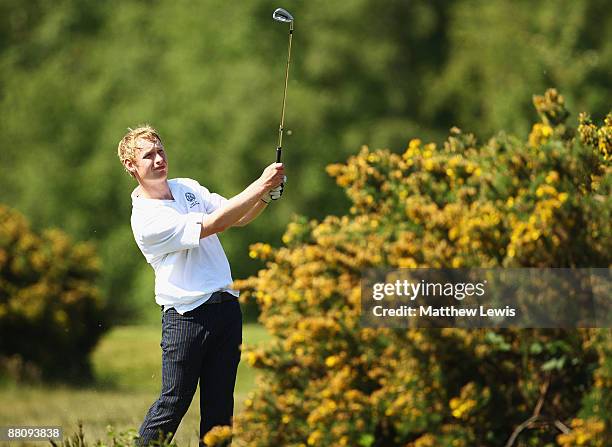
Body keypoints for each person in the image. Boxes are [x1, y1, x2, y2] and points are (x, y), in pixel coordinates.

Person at [116, 125, 285, 446]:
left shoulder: (187, 187)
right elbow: (214, 224)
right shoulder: (146, 219)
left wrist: (265, 196)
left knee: (221, 409)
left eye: (160, 151)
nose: (158, 159)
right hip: (185, 318)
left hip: (226, 310)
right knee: (173, 403)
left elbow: (236, 217)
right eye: (148, 155)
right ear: (131, 166)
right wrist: (261, 183)